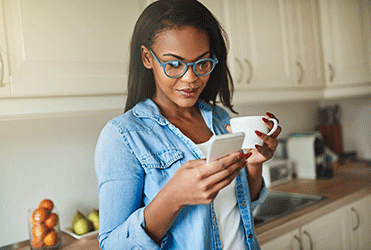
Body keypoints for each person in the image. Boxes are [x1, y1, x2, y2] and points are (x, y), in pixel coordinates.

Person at [94, 0, 282, 249]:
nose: (191, 78)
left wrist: (254, 167)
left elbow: (241, 207)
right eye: (174, 64)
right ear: (147, 57)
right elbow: (111, 245)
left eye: (202, 63)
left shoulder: (220, 118)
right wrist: (173, 198)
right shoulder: (123, 136)